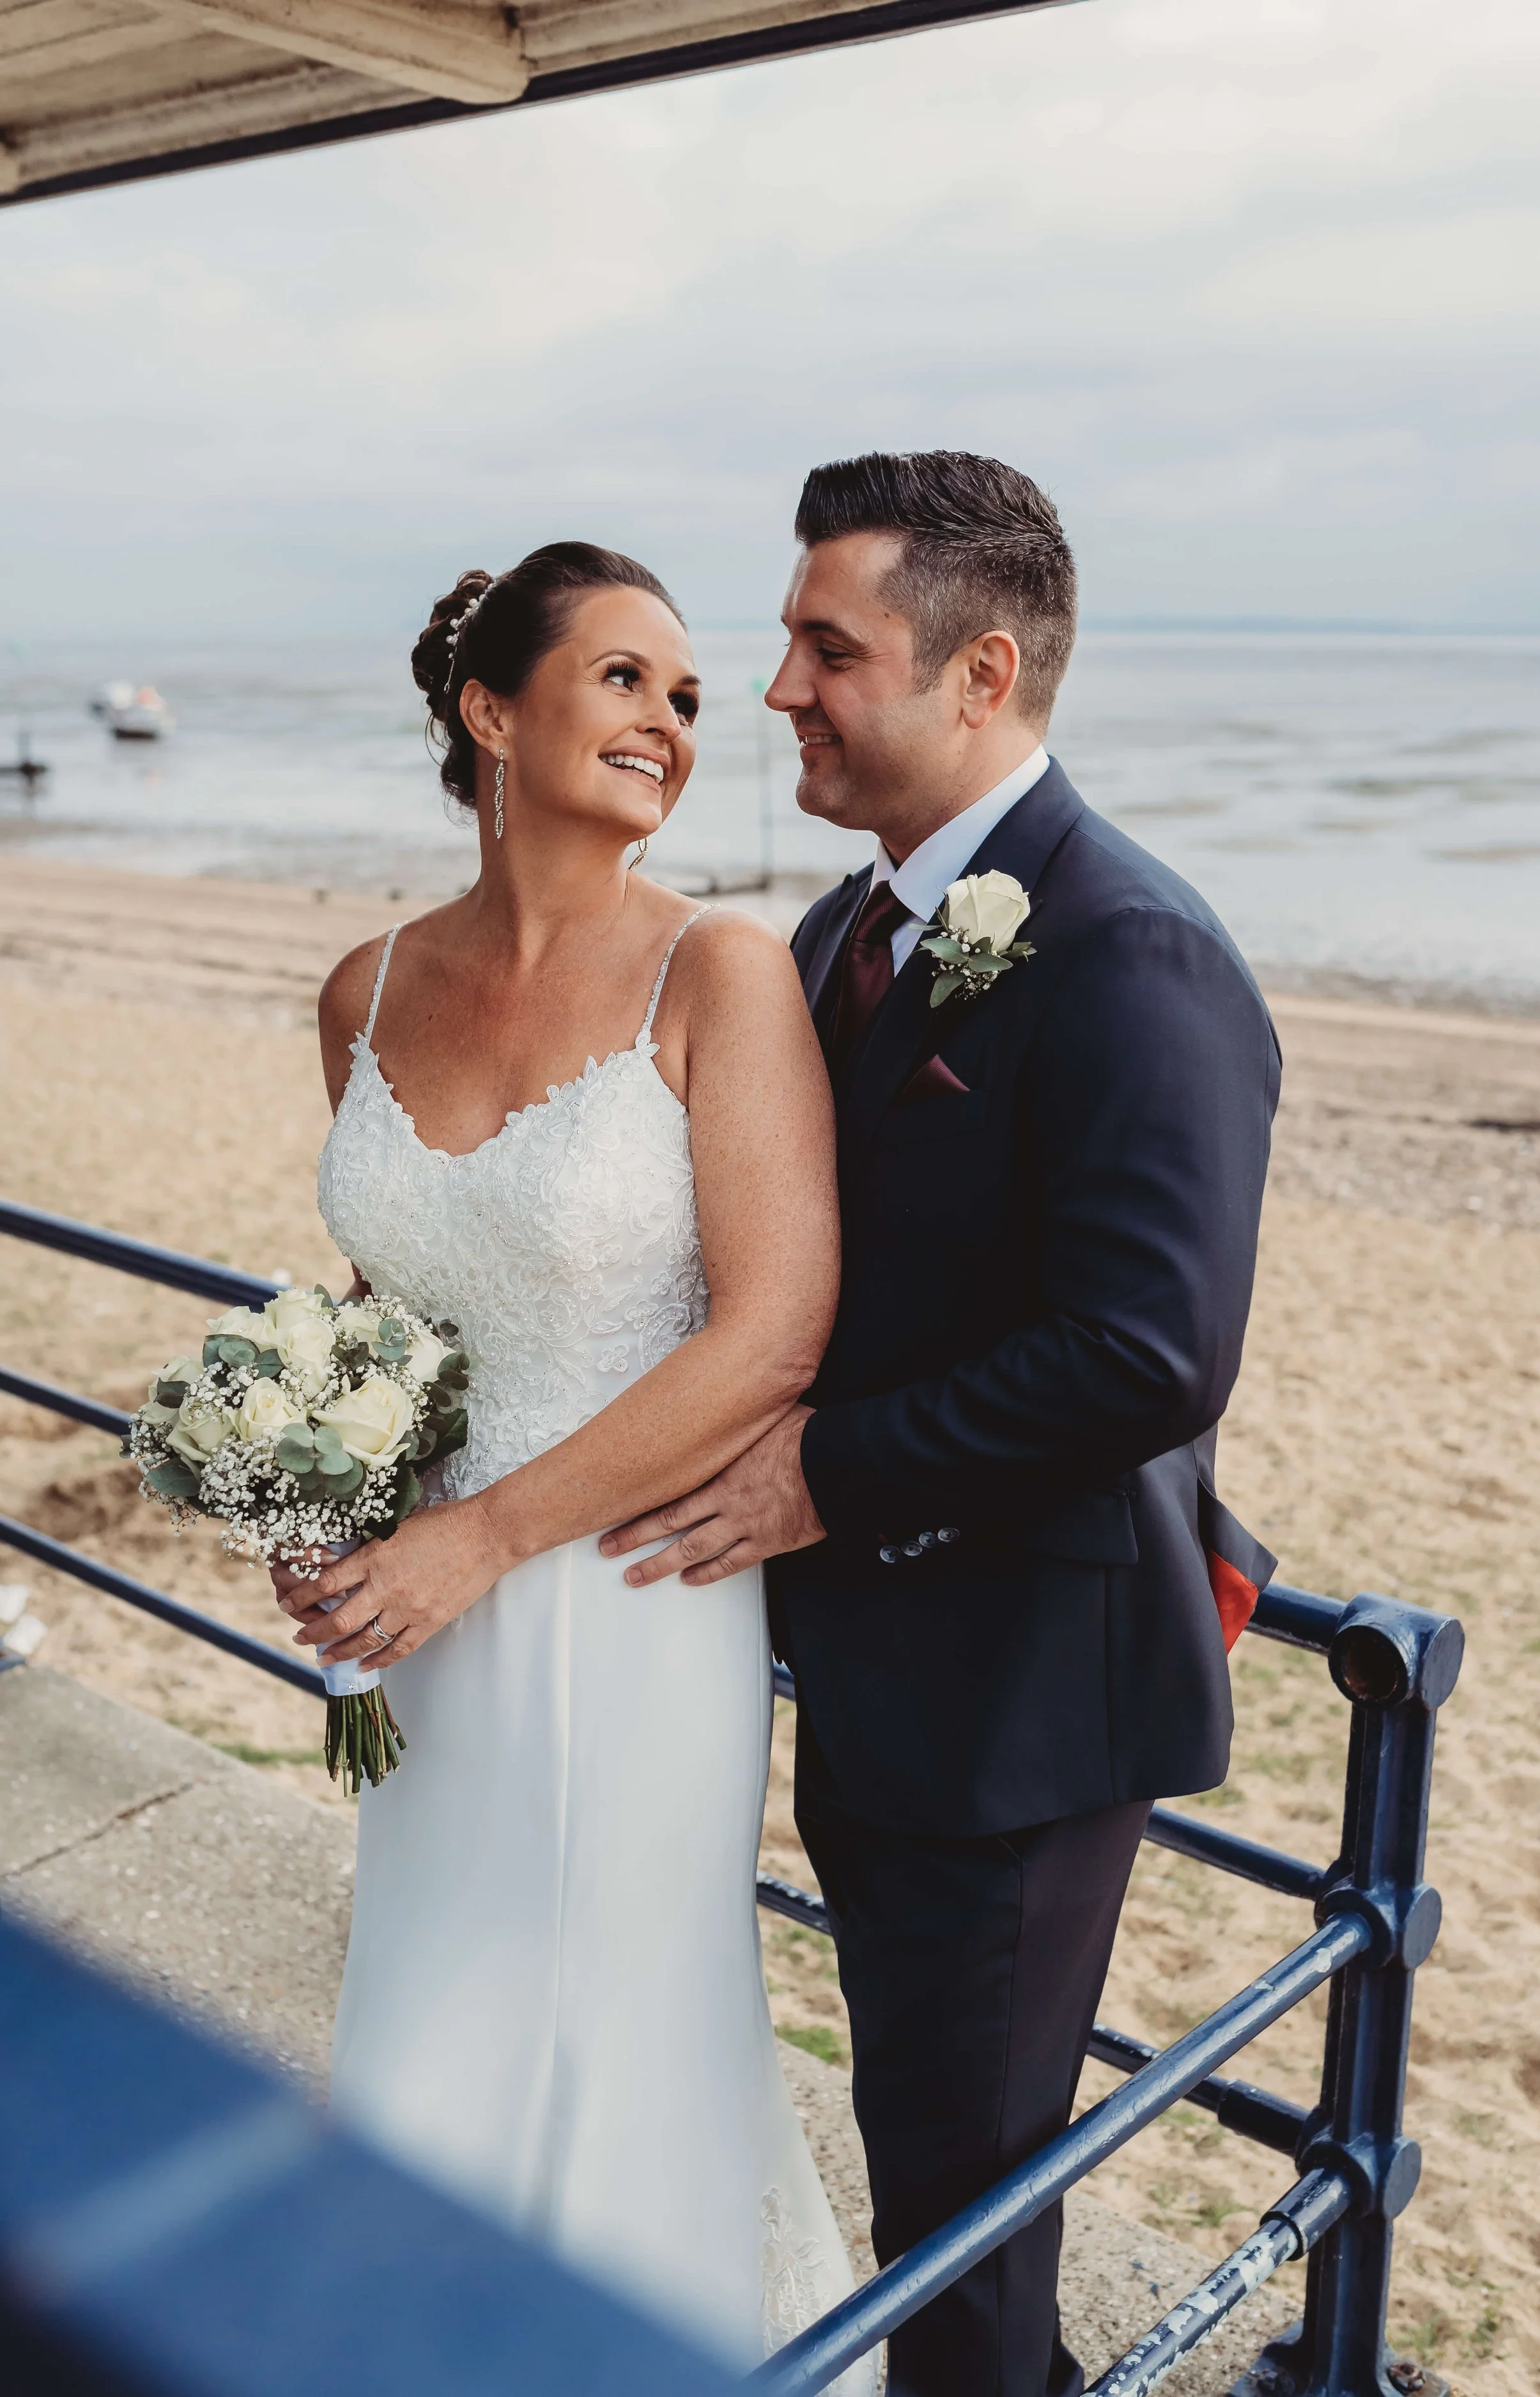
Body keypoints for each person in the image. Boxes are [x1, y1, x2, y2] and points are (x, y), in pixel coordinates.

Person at [603, 453, 1281, 2397]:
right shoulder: (835, 935)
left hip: (1018, 1701)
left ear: (980, 673)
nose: (778, 686)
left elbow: (1149, 1352)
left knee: (965, 2227)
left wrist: (819, 1469)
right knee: (928, 2179)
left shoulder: (1133, 948)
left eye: (829, 646)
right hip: (876, 1681)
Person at [273, 540, 873, 2387]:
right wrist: (322, 1491)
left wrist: (482, 1539)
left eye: (687, 698)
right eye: (624, 678)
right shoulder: (360, 992)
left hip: (631, 1593)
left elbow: (773, 1328)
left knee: (617, 2029)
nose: (672, 722)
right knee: (432, 2002)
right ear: (487, 711)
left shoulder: (723, 969)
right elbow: (395, 1315)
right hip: (422, 1626)